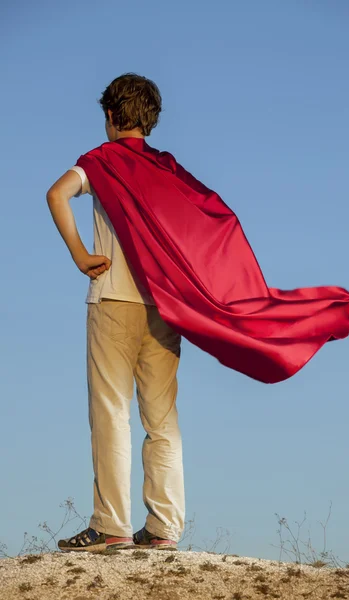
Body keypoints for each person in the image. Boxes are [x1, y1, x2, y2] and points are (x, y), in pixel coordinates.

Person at [46, 74, 184, 553]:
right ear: (151, 119)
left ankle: (112, 526)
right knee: (162, 420)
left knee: (111, 414)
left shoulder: (100, 160)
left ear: (110, 115)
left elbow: (56, 194)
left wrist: (81, 255)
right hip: (165, 307)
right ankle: (164, 526)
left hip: (112, 301)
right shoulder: (168, 168)